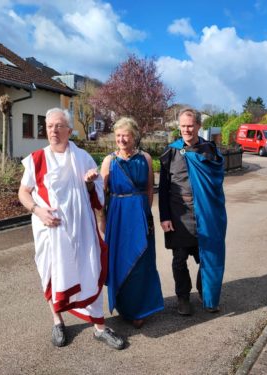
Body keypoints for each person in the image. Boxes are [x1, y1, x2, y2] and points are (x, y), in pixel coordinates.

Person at [18, 107, 125, 350]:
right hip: (50, 232)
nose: (53, 130)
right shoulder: (36, 159)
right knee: (52, 273)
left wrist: (89, 183)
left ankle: (99, 327)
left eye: (58, 126)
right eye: (49, 126)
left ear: (68, 130)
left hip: (81, 231)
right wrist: (38, 210)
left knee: (89, 268)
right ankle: (57, 320)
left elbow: (96, 197)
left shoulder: (83, 157)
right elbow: (23, 193)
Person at [158, 107, 227, 316]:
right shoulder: (170, 152)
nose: (187, 129)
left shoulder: (209, 151)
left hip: (205, 216)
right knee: (179, 260)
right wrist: (165, 217)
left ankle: (204, 291)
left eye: (190, 125)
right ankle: (183, 298)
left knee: (206, 258)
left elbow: (216, 182)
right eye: (183, 126)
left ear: (198, 125)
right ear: (179, 127)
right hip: (179, 216)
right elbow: (163, 189)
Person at [100, 117, 164, 329]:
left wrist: (147, 214)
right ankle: (123, 306)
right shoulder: (109, 161)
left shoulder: (145, 158)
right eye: (118, 135)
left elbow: (149, 190)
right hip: (118, 217)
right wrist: (102, 221)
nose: (121, 139)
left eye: (125, 135)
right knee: (119, 260)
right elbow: (101, 194)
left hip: (140, 216)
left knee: (141, 263)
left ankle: (139, 309)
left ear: (134, 136)